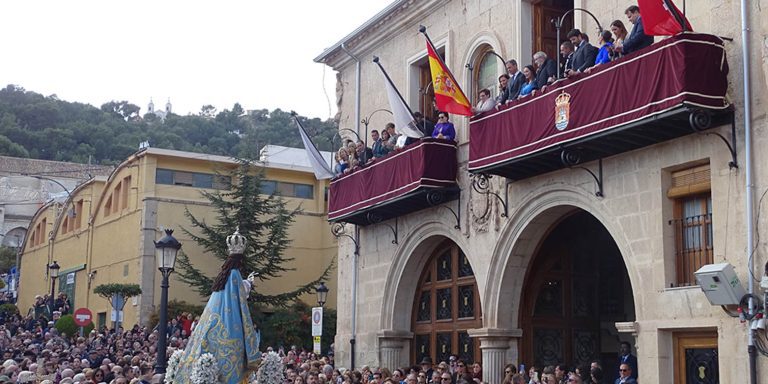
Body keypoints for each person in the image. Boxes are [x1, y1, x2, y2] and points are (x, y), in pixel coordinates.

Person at [173, 228, 261, 384]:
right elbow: (239, 293)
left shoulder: (224, 275)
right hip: (229, 323)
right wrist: (250, 283)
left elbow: (235, 289)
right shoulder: (234, 274)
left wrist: (246, 282)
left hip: (214, 319)